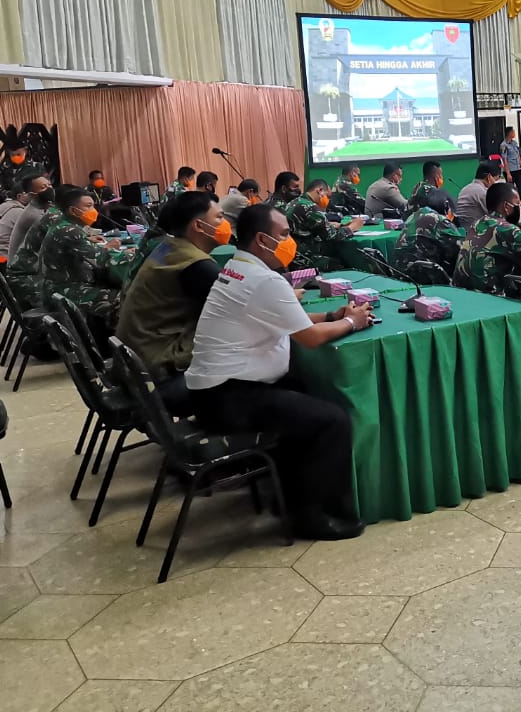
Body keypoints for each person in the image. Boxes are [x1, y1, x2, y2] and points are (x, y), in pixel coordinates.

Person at [183, 204, 370, 541]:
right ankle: (312, 516)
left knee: (305, 391)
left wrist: (332, 317)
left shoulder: (237, 268)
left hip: (216, 390)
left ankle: (288, 496)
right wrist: (351, 322)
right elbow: (308, 339)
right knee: (332, 419)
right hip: (228, 397)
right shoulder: (264, 280)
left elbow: (286, 320)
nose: (290, 240)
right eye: (284, 235)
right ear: (262, 240)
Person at [116, 192, 227, 404]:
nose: (225, 223)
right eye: (219, 217)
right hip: (160, 373)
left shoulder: (169, 247)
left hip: (139, 360)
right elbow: (242, 312)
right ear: (199, 226)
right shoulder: (195, 265)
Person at [39, 186, 129, 340]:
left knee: (111, 286)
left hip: (59, 286)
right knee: (126, 298)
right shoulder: (69, 231)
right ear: (73, 210)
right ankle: (115, 345)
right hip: (65, 290)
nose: (93, 210)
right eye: (88, 206)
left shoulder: (65, 225)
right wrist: (128, 255)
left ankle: (104, 337)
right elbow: (101, 259)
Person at [453, 181, 521, 298]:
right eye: (518, 204)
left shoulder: (478, 223)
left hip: (462, 294)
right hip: (489, 298)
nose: (520, 208)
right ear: (507, 207)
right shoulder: (507, 230)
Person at [279, 179, 364, 272]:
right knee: (342, 262)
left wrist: (338, 225)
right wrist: (351, 228)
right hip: (303, 261)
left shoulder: (295, 202)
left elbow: (309, 226)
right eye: (327, 196)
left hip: (290, 256)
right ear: (319, 190)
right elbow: (333, 236)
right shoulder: (310, 207)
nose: (328, 200)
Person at [392, 207, 464, 274]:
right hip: (429, 277)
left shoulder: (413, 216)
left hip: (401, 274)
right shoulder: (440, 220)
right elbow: (460, 254)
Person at [6, 175, 55, 261]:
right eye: (43, 187)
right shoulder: (34, 215)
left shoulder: (43, 207)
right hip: (23, 269)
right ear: (32, 195)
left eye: (49, 185)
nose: (49, 189)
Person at [455, 161, 504, 228]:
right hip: (471, 232)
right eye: (498, 178)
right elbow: (498, 215)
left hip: (462, 229)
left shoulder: (466, 188)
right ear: (489, 177)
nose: (498, 181)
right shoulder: (482, 192)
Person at [0, 183, 30, 259]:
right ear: (19, 196)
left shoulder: (12, 208)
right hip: (7, 256)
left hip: (1, 254)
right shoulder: (19, 212)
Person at [500, 127, 521, 204]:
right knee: (510, 190)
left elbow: (518, 155)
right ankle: (512, 204)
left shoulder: (514, 143)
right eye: (513, 131)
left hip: (517, 169)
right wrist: (508, 173)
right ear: (509, 133)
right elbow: (505, 160)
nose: (514, 133)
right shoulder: (503, 145)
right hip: (510, 170)